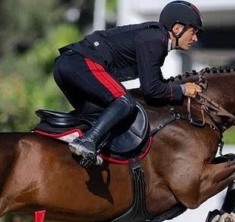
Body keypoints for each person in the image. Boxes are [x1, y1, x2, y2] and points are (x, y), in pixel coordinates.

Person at [53, 1, 205, 167]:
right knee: (124, 102)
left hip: (67, 64)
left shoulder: (155, 38)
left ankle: (75, 143)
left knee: (98, 113)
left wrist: (176, 89)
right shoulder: (155, 40)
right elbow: (151, 89)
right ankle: (87, 142)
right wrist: (183, 89)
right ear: (177, 28)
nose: (195, 38)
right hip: (80, 62)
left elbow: (155, 84)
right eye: (193, 32)